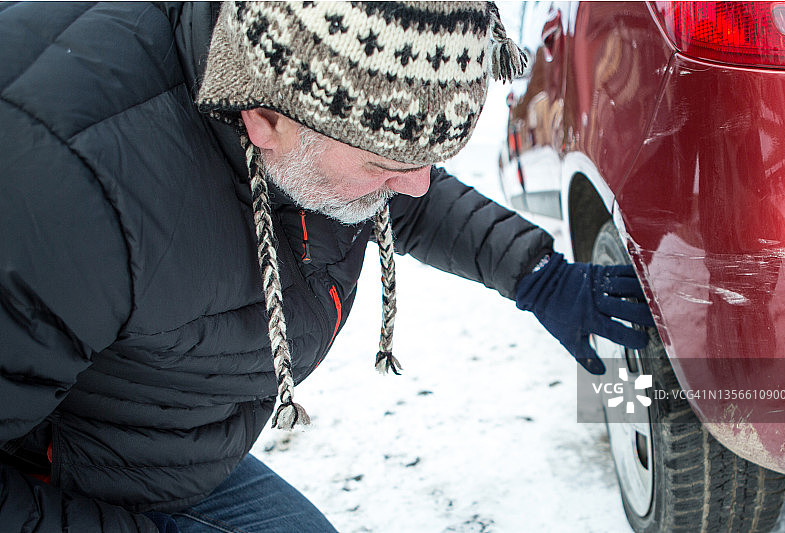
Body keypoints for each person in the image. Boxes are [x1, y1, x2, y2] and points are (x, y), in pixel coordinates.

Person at [0, 2, 655, 532]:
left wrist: (533, 274)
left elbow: (397, 197)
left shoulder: (311, 110)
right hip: (55, 481)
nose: (419, 187)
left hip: (163, 453)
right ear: (264, 118)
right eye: (385, 165)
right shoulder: (60, 190)